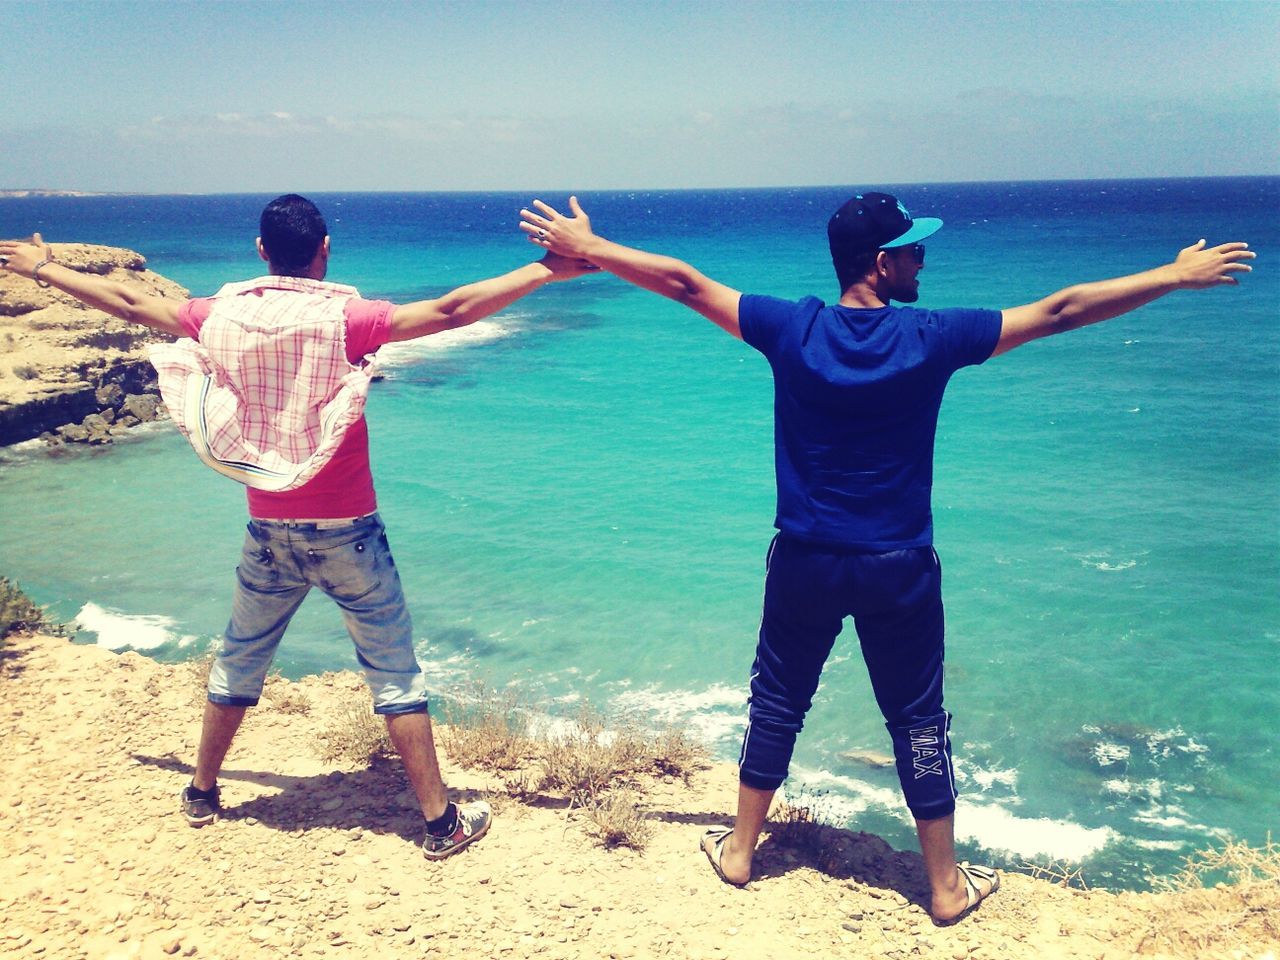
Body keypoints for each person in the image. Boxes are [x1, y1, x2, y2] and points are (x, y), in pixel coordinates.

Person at [518, 193, 1253, 922]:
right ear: (881, 263)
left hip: (806, 558)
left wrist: (593, 248)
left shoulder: (790, 327)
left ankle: (740, 852)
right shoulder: (929, 337)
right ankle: (944, 888)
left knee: (778, 701)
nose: (921, 260)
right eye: (911, 249)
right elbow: (1060, 311)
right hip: (897, 566)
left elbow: (683, 282)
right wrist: (1172, 275)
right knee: (918, 720)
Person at [0, 195, 592, 860]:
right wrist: (547, 269)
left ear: (261, 250)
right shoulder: (346, 319)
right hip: (350, 533)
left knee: (239, 658)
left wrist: (45, 266)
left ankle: (200, 790)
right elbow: (453, 310)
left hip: (269, 533)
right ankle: (438, 822)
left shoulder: (219, 315)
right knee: (394, 675)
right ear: (326, 248)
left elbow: (134, 305)